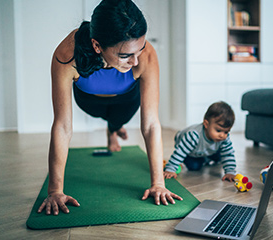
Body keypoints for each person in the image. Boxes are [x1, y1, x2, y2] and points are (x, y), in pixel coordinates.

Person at [37, 0, 182, 216]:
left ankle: (114, 129)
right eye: (125, 56)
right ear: (97, 46)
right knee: (103, 114)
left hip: (126, 99)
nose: (135, 61)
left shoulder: (146, 55)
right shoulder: (67, 54)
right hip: (89, 100)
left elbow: (151, 124)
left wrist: (158, 183)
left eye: (139, 50)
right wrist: (55, 190)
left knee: (118, 118)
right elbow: (62, 126)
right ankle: (113, 128)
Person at [164, 101, 237, 181]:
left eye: (226, 132)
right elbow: (180, 152)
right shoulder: (193, 135)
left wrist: (230, 172)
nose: (222, 135)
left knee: (221, 156)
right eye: (218, 130)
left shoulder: (224, 138)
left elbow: (228, 153)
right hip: (189, 149)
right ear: (206, 124)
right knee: (194, 166)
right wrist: (170, 169)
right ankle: (203, 158)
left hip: (206, 149)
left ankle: (206, 157)